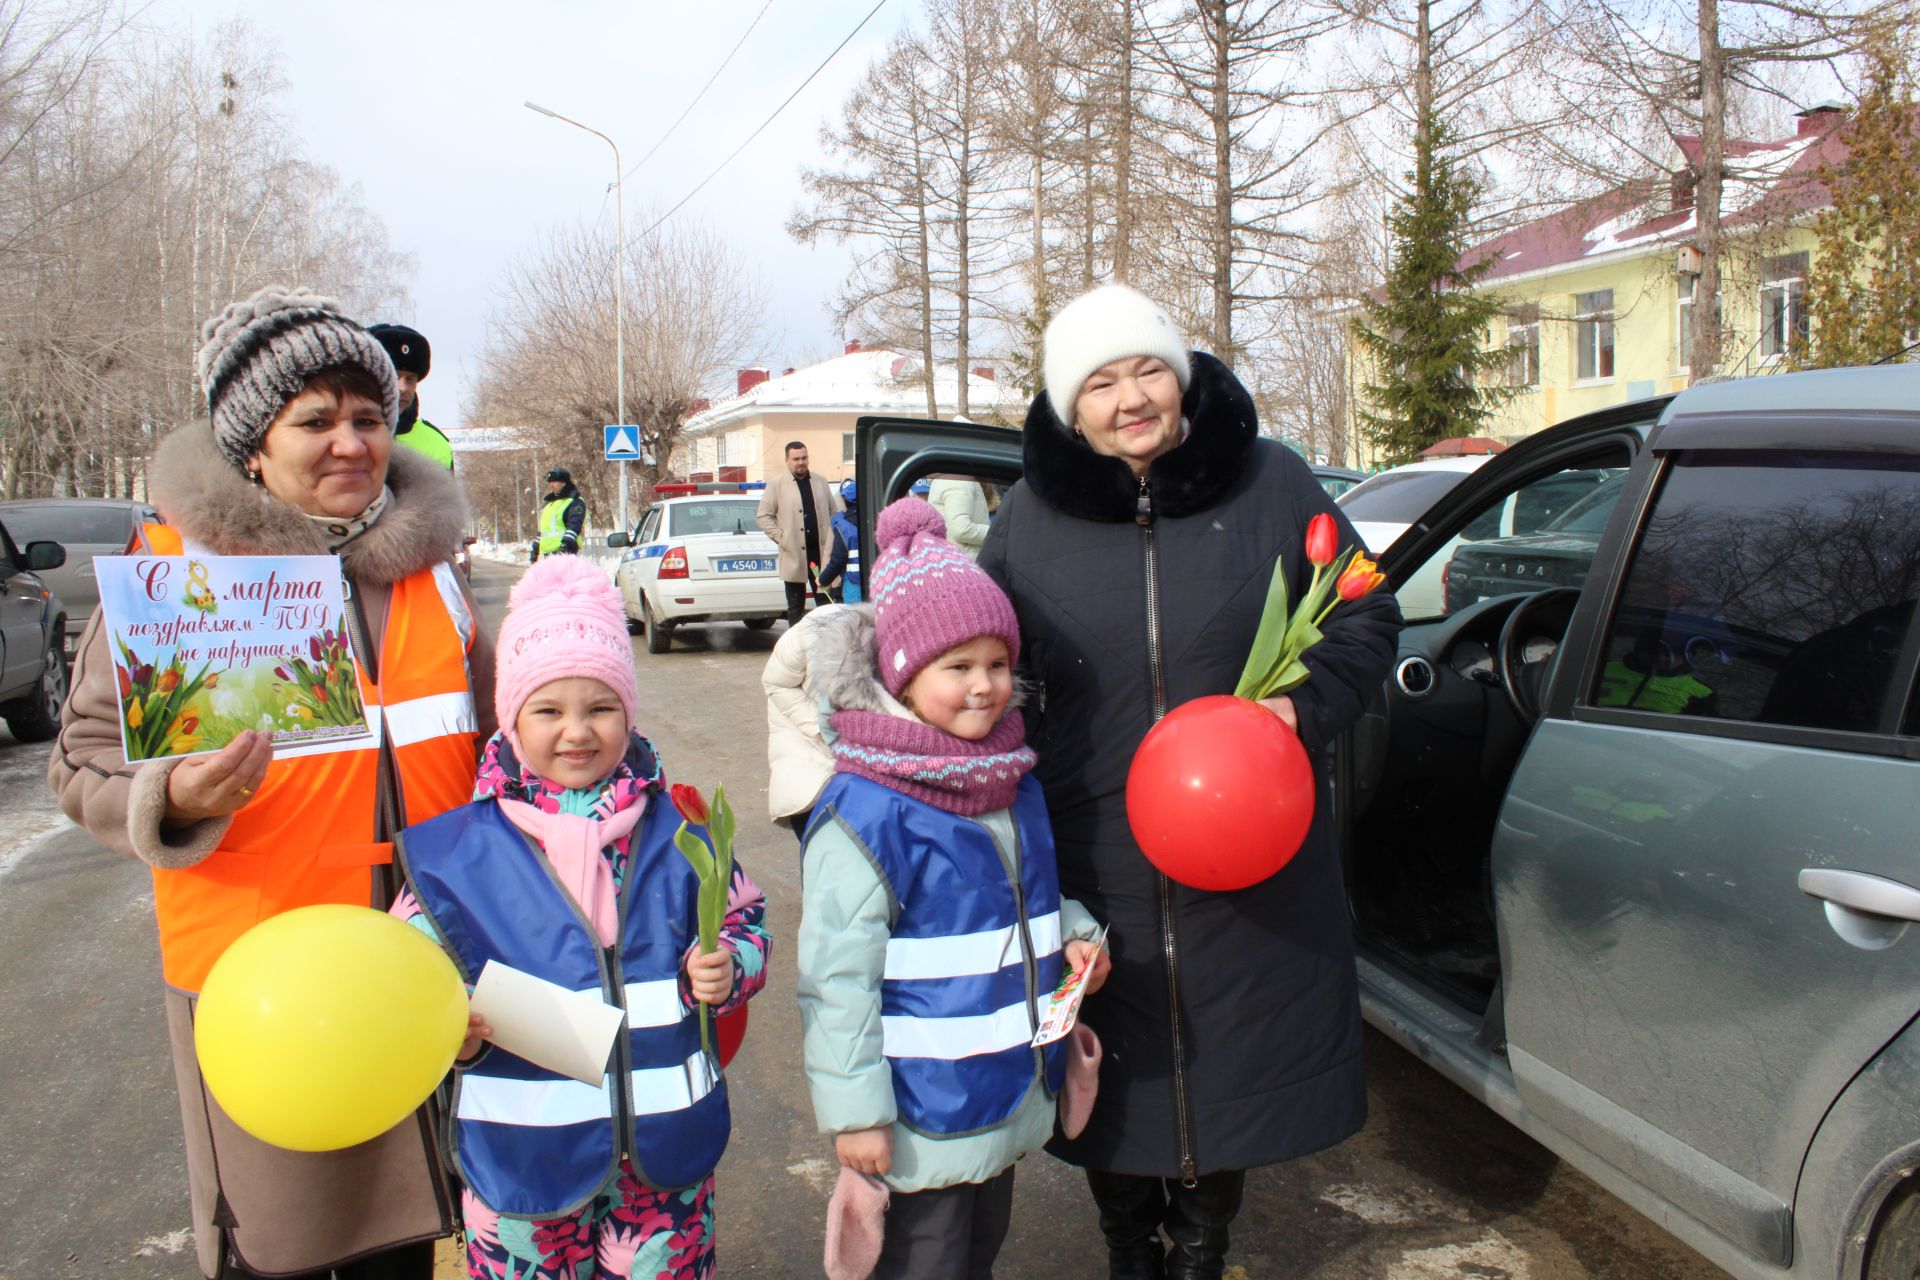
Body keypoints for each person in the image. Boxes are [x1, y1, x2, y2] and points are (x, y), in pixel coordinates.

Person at [48, 285, 496, 1280]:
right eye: (316, 419)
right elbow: (79, 764)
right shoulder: (174, 575)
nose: (350, 440)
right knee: (282, 1250)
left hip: (426, 973)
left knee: (409, 1237)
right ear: (252, 444)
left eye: (369, 416)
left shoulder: (433, 573)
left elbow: (505, 741)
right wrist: (174, 798)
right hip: (267, 996)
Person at [977, 284, 1402, 1280]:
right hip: (1098, 850)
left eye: (1149, 369)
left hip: (1246, 848)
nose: (1131, 397)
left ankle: (1202, 1248)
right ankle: (1131, 1245)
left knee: (1229, 1058)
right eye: (1102, 382)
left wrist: (1300, 710)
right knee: (1109, 1060)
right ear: (1068, 406)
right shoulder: (1029, 520)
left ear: (1182, 376)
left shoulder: (1271, 483)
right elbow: (977, 663)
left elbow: (1366, 611)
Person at [392, 554, 770, 1279]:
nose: (577, 732)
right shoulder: (457, 856)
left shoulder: (681, 831)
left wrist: (728, 968)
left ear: (629, 712)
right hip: (524, 1173)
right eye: (548, 710)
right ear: (509, 720)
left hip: (664, 1170)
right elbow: (409, 988)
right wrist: (453, 1039)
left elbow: (747, 924)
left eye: (600, 708)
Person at [797, 498, 1111, 1280]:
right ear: (903, 680)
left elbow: (1026, 895)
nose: (985, 687)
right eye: (957, 667)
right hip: (917, 1112)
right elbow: (837, 979)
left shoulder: (1009, 782)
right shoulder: (869, 811)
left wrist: (1077, 935)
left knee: (975, 1257)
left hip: (998, 1091)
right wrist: (858, 1113)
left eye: (999, 665)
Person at [756, 441, 843, 626]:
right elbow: (763, 516)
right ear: (787, 460)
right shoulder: (776, 485)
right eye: (796, 459)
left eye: (804, 458)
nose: (801, 462)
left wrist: (835, 539)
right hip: (794, 555)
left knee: (826, 604)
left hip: (821, 555)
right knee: (796, 608)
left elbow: (834, 513)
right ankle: (796, 650)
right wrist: (782, 538)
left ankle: (825, 644)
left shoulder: (820, 481)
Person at [366, 323, 454, 471]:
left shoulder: (437, 443)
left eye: (410, 379)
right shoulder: (348, 437)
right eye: (394, 376)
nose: (403, 387)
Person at [927, 475, 991, 559]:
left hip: (953, 559)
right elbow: (961, 530)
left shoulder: (947, 480)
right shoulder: (958, 481)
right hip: (965, 561)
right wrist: (995, 533)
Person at [532, 465, 586, 561]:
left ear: (564, 483)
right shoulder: (549, 505)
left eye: (554, 482)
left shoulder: (574, 502)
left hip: (565, 554)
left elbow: (574, 525)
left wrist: (566, 545)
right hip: (547, 555)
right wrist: (535, 549)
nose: (551, 485)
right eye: (550, 482)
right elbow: (543, 530)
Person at [829, 478, 862, 603]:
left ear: (843, 498)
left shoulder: (841, 525)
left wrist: (823, 579)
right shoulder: (872, 518)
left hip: (853, 582)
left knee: (855, 619)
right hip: (874, 580)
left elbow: (837, 558)